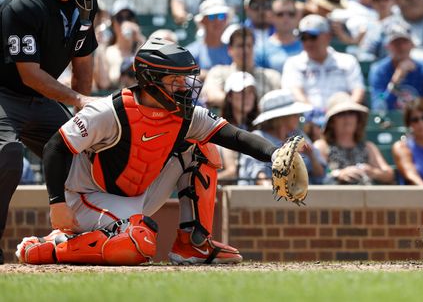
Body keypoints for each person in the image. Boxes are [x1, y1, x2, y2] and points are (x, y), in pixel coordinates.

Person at [15, 37, 288, 266]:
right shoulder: (109, 110)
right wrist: (57, 204)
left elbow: (234, 136)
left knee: (204, 147)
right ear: (151, 80)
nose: (185, 88)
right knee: (138, 245)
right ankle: (51, 248)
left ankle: (193, 244)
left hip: (140, 195)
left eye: (186, 80)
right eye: (176, 81)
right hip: (89, 197)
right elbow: (55, 146)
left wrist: (275, 153)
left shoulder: (185, 114)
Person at [0, 0, 102, 265]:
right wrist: (79, 98)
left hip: (41, 98)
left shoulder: (86, 3)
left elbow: (83, 64)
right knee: (8, 155)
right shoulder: (24, 6)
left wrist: (81, 116)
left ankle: (83, 238)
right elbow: (28, 74)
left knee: (86, 149)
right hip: (5, 93)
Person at [238, 89, 326, 186]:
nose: (298, 117)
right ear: (282, 118)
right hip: (262, 198)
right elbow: (259, 177)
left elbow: (320, 176)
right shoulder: (257, 137)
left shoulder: (298, 136)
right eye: (294, 114)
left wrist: (311, 155)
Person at [281, 15, 365, 114]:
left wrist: (340, 114)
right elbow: (295, 93)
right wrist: (314, 113)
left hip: (341, 117)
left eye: (313, 37)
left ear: (327, 37)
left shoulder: (347, 61)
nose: (308, 42)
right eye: (303, 38)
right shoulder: (293, 63)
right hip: (306, 119)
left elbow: (358, 91)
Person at [314, 93, 395, 185]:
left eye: (351, 113)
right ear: (332, 122)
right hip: (334, 197)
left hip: (367, 197)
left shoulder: (368, 147)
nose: (347, 118)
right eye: (341, 114)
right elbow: (317, 175)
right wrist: (339, 174)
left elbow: (389, 174)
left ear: (358, 119)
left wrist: (372, 172)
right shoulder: (322, 146)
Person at [202, 25, 282, 109]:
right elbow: (212, 96)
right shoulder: (218, 72)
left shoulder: (272, 76)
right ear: (230, 50)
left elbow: (281, 102)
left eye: (249, 45)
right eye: (240, 46)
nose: (246, 50)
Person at [185, 0, 232, 72]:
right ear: (203, 21)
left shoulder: (233, 51)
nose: (218, 21)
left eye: (221, 16)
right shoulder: (190, 53)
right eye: (212, 16)